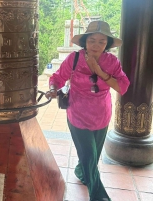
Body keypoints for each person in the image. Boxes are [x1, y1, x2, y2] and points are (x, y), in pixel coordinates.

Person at [46, 21, 130, 201]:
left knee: (92, 156)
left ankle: (80, 171)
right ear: (85, 41)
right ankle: (99, 197)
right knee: (90, 158)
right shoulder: (74, 59)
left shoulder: (112, 62)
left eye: (101, 41)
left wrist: (98, 70)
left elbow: (121, 87)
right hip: (78, 114)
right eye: (92, 40)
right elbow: (58, 77)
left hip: (102, 115)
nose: (96, 45)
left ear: (107, 44)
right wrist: (53, 89)